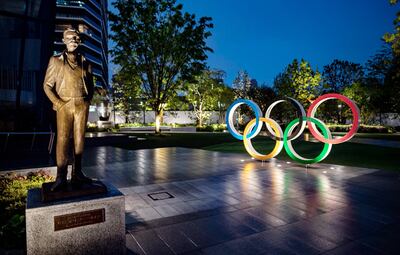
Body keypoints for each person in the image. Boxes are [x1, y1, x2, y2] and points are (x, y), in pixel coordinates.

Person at [43, 28, 94, 191]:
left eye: (76, 37)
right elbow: (47, 85)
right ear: (64, 40)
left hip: (81, 105)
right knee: (63, 140)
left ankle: (77, 173)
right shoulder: (56, 60)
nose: (73, 39)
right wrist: (58, 103)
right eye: (70, 37)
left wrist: (87, 101)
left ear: (79, 41)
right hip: (64, 104)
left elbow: (91, 85)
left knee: (80, 141)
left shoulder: (86, 62)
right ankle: (60, 177)